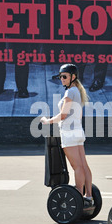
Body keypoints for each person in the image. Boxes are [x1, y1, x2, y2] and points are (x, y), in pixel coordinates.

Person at [40, 64, 93, 205]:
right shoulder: (77, 91)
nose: (62, 79)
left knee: (77, 167)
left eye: (64, 76)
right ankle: (88, 196)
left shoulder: (70, 92)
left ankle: (79, 197)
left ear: (73, 77)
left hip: (69, 133)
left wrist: (48, 121)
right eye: (60, 76)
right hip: (77, 131)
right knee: (83, 165)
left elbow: (63, 114)